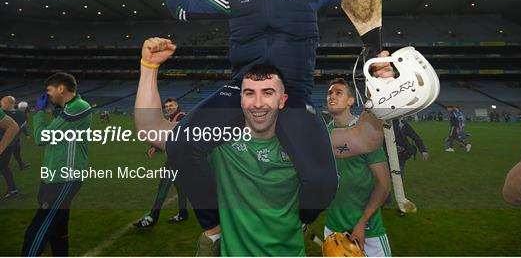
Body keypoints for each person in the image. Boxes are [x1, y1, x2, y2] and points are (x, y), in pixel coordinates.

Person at [154, 0, 392, 245]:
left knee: (323, 183)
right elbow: (182, 7)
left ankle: (291, 225)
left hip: (291, 96)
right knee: (180, 144)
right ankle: (215, 227)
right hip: (242, 92)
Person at [134, 37, 385, 256]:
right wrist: (149, 67)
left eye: (267, 92)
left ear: (282, 99)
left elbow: (367, 139)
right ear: (239, 98)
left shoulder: (307, 144)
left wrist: (381, 86)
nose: (257, 103)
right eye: (249, 93)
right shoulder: (220, 143)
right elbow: (152, 130)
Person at [21, 73, 92, 257]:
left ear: (61, 88)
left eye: (49, 90)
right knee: (58, 230)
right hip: (52, 177)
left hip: (65, 178)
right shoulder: (66, 109)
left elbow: (41, 138)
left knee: (38, 229)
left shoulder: (79, 106)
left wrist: (38, 111)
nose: (47, 95)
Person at [324, 78, 392, 257]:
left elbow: (384, 185)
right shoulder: (324, 133)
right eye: (329, 93)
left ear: (350, 101)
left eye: (338, 93)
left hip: (368, 230)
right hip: (333, 228)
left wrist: (362, 222)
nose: (332, 96)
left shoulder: (367, 132)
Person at [133, 97, 189, 228]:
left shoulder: (181, 117)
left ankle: (153, 217)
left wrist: (157, 147)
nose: (168, 107)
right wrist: (156, 147)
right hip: (179, 159)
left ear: (177, 105)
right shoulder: (172, 119)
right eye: (167, 106)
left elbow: (175, 138)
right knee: (180, 187)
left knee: (163, 187)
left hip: (176, 160)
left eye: (171, 105)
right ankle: (183, 213)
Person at [1, 96, 30, 171]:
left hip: (6, 136)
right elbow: (23, 125)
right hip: (12, 137)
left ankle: (21, 164)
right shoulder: (21, 114)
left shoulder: (4, 111)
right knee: (13, 153)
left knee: (13, 152)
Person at [0, 107, 20, 199]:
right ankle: (13, 189)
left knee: (4, 167)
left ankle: (13, 189)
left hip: (7, 144)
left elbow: (13, 127)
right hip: (10, 143)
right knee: (4, 168)